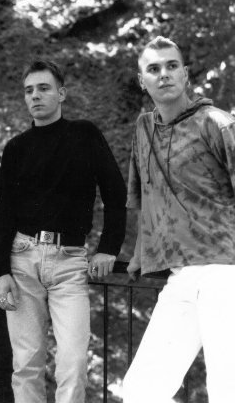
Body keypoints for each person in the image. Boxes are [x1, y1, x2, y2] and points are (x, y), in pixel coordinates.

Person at [0, 59, 126, 403]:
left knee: (73, 361)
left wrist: (108, 247)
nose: (35, 96)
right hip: (22, 260)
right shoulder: (16, 148)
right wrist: (1, 271)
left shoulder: (85, 135)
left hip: (70, 261)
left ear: (61, 94)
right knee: (26, 364)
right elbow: (3, 214)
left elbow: (115, 193)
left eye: (43, 88)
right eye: (29, 91)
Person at [123, 36, 235, 403]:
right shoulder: (144, 128)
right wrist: (139, 253)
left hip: (225, 272)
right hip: (180, 275)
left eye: (172, 66)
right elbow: (145, 194)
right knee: (141, 391)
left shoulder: (217, 123)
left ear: (185, 74)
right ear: (142, 81)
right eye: (154, 69)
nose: (164, 74)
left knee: (228, 389)